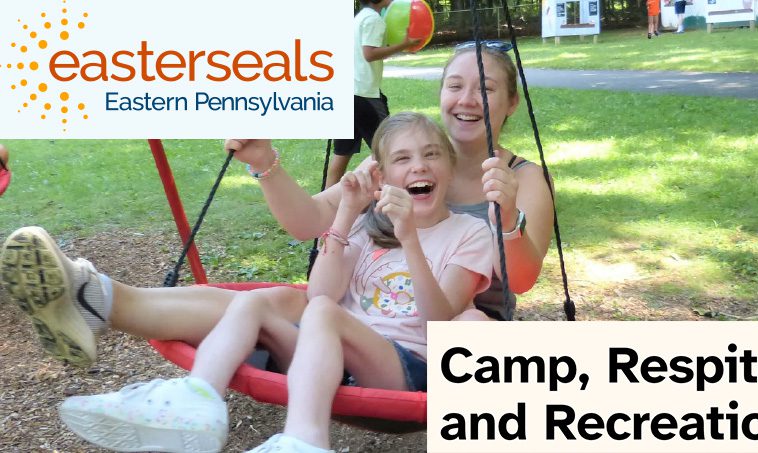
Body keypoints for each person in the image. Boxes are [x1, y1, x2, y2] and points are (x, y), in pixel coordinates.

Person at [0, 41, 553, 371]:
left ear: (508, 102)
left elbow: (523, 279)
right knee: (269, 301)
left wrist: (506, 221)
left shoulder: (520, 178)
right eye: (454, 85)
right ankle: (91, 295)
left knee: (295, 312)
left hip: (455, 335)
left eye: (483, 89)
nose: (465, 100)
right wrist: (266, 164)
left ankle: (93, 298)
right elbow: (307, 221)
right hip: (368, 311)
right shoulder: (408, 161)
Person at [56, 112, 494, 453]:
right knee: (262, 302)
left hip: (408, 372)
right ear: (381, 177)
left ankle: (305, 439)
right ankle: (197, 398)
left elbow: (442, 323)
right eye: (403, 158)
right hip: (330, 366)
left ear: (449, 165)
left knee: (319, 311)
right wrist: (347, 213)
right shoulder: (367, 227)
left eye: (432, 154)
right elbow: (322, 293)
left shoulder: (468, 233)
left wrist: (410, 240)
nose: (420, 165)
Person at [327, 0, 420, 188]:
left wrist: (401, 47)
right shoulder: (374, 19)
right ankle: (397, 196)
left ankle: (324, 202)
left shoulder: (360, 17)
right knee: (390, 149)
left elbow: (368, 53)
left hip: (349, 93)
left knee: (342, 153)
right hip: (365, 95)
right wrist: (403, 45)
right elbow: (370, 54)